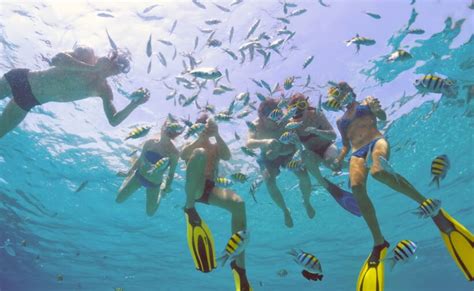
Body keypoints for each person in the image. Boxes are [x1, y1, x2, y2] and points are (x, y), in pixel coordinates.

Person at [326, 81, 473, 289]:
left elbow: (383, 118)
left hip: (376, 141)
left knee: (379, 172)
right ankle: (379, 241)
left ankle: (428, 205)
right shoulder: (341, 121)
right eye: (336, 93)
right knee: (357, 189)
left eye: (342, 91)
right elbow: (346, 145)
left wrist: (377, 109)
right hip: (356, 153)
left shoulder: (366, 104)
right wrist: (339, 159)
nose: (340, 95)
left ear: (351, 91)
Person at [0, 45, 149, 138]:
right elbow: (56, 59)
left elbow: (114, 120)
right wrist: (93, 68)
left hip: (28, 101)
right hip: (21, 79)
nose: (114, 69)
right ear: (109, 56)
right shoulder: (87, 54)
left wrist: (134, 104)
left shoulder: (103, 89)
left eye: (120, 68)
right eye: (115, 62)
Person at [181, 114, 252, 291]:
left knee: (239, 204)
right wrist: (200, 137)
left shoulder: (215, 146)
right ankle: (189, 208)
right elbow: (183, 154)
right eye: (201, 125)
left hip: (210, 188)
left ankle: (239, 267)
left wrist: (217, 135)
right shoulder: (194, 144)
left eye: (207, 126)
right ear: (197, 127)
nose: (205, 128)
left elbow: (227, 156)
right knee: (199, 153)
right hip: (194, 186)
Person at [287, 93, 361, 217]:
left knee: (332, 163)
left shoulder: (317, 114)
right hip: (312, 153)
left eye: (301, 105)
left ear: (306, 105)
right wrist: (296, 142)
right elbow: (298, 150)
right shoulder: (291, 125)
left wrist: (317, 131)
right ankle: (323, 183)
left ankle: (356, 166)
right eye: (294, 108)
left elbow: (333, 135)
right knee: (305, 155)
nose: (299, 110)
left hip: (327, 146)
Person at [246, 98, 314, 228]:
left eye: (277, 115)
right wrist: (265, 142)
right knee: (269, 181)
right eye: (270, 117)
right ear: (261, 117)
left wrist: (281, 152)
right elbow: (248, 143)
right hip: (267, 155)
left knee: (304, 175)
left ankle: (306, 201)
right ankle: (285, 210)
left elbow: (296, 146)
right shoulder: (256, 125)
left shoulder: (286, 122)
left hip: (287, 152)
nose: (275, 120)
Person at [115, 120, 181, 216]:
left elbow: (171, 173)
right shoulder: (150, 142)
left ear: (175, 134)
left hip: (154, 184)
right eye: (168, 128)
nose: (169, 132)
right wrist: (128, 172)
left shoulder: (174, 153)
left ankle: (160, 195)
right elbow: (140, 159)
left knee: (150, 213)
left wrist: (167, 187)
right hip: (138, 176)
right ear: (162, 127)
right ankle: (127, 179)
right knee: (118, 200)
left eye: (172, 131)